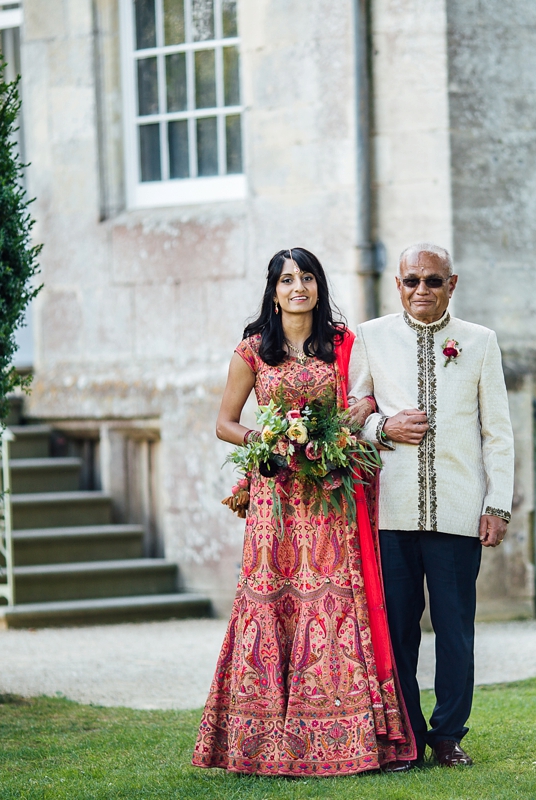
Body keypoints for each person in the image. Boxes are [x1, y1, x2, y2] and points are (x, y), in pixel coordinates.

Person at [192, 247, 417, 776]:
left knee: (337, 601)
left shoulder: (342, 345)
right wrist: (266, 438)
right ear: (273, 291)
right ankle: (261, 740)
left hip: (329, 496)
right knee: (274, 600)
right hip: (274, 499)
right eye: (288, 279)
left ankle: (355, 736)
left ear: (319, 286)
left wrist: (349, 419)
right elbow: (225, 422)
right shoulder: (252, 351)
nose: (299, 287)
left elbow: (364, 400)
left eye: (308, 278)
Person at [348, 243, 515, 768]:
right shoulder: (371, 338)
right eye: (413, 280)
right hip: (390, 513)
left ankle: (448, 735)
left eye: (434, 281)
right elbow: (349, 416)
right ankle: (407, 737)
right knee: (396, 629)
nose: (423, 289)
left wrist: (498, 504)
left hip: (460, 511)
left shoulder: (480, 343)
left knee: (455, 626)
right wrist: (382, 427)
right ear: (397, 285)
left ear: (452, 284)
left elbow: (499, 435)